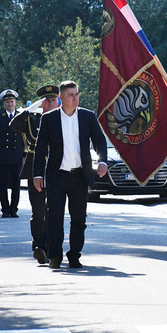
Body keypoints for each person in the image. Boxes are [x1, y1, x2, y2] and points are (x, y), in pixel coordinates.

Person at [33, 80, 107, 269]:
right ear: (61, 98)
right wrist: (37, 175)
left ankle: (74, 255)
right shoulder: (49, 119)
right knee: (54, 217)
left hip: (80, 175)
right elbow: (40, 148)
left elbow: (100, 140)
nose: (75, 98)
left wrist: (103, 161)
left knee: (79, 219)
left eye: (76, 94)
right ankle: (55, 256)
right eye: (71, 95)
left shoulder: (87, 117)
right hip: (57, 176)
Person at [10, 85, 59, 264]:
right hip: (35, 168)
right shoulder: (32, 118)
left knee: (53, 210)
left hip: (55, 167)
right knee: (38, 210)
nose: (51, 103)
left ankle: (49, 246)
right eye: (47, 100)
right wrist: (31, 108)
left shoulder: (62, 118)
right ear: (42, 103)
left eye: (53, 100)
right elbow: (13, 124)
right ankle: (39, 245)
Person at [0, 89, 24, 218]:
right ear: (4, 104)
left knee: (16, 184)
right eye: (7, 102)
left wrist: (24, 154)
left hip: (16, 155)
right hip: (3, 155)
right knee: (2, 184)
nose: (10, 104)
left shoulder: (21, 116)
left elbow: (24, 137)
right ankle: (5, 209)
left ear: (15, 102)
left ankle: (14, 209)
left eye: (12, 101)